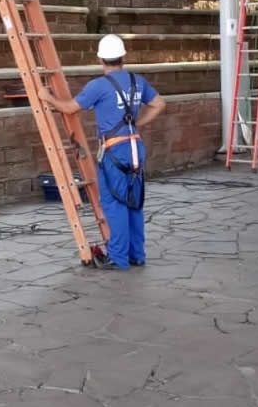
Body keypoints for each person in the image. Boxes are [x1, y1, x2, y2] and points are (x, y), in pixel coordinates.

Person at [39, 34, 165, 271]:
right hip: (135, 146)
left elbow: (69, 109)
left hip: (114, 150)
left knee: (114, 202)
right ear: (123, 57)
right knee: (134, 202)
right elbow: (160, 104)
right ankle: (137, 255)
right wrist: (138, 124)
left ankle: (118, 258)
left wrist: (47, 97)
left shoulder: (98, 86)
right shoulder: (138, 81)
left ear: (100, 59)